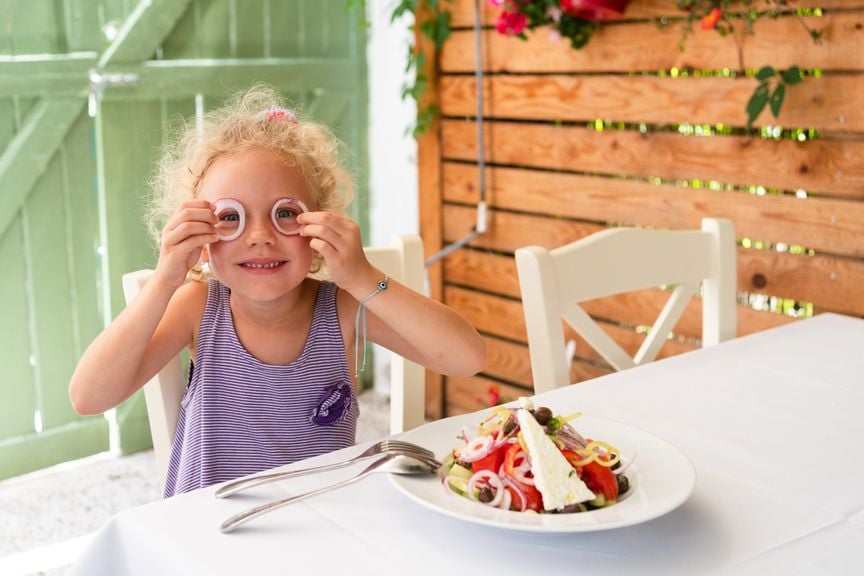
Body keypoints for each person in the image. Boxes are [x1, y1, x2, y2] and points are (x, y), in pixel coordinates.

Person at [68, 85, 486, 497]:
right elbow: (89, 396)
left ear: (319, 223)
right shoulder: (198, 308)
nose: (260, 237)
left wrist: (361, 277)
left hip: (320, 529)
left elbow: (467, 358)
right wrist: (164, 281)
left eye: (285, 213)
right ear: (203, 235)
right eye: (230, 217)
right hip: (211, 537)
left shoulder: (341, 307)